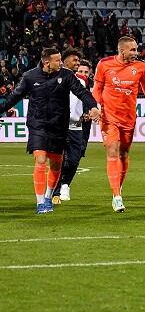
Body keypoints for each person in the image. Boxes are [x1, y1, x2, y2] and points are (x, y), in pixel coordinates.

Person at [0, 48, 99, 214]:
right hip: (38, 125)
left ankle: (48, 196)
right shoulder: (30, 77)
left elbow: (81, 92)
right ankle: (40, 203)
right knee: (40, 160)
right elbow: (13, 98)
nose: (60, 63)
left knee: (55, 164)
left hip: (59, 126)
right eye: (57, 60)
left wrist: (93, 106)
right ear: (47, 63)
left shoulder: (66, 75)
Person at [93, 36, 145, 212]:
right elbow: (97, 89)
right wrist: (94, 107)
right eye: (133, 50)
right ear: (122, 51)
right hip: (109, 117)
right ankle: (117, 196)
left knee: (123, 154)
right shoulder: (104, 64)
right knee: (113, 150)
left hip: (129, 118)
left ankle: (118, 188)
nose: (136, 53)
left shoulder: (141, 67)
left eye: (136, 49)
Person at [52, 51, 92, 204]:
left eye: (78, 60)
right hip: (60, 126)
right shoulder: (54, 77)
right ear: (65, 60)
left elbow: (85, 97)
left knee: (74, 160)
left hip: (76, 126)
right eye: (74, 60)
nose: (77, 62)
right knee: (58, 159)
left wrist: (88, 111)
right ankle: (55, 193)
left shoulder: (81, 81)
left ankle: (65, 184)